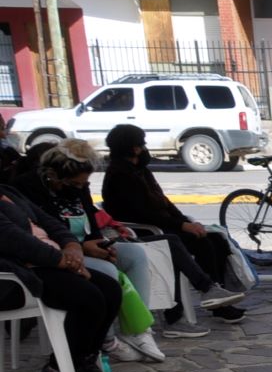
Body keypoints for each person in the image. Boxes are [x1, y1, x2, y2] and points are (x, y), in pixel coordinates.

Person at [17, 138, 242, 359]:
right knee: (109, 271)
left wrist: (100, 244)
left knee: (137, 255)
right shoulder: (27, 189)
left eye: (83, 184)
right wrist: (83, 247)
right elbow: (42, 229)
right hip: (57, 254)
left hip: (86, 245)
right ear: (54, 176)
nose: (79, 188)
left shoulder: (96, 183)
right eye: (74, 184)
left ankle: (138, 331)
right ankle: (107, 339)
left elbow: (91, 221)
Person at [100, 123, 247, 332]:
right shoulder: (120, 175)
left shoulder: (140, 171)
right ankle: (200, 296)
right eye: (141, 144)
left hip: (164, 224)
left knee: (214, 240)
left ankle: (218, 300)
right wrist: (181, 225)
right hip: (145, 230)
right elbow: (140, 213)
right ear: (133, 147)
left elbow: (164, 203)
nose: (144, 148)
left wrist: (186, 222)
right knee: (180, 244)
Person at [0, 185, 122, 372]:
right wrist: (62, 260)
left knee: (110, 289)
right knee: (88, 298)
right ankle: (57, 369)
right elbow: (12, 239)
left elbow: (48, 221)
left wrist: (71, 246)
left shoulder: (9, 192)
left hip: (48, 263)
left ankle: (83, 359)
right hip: (18, 273)